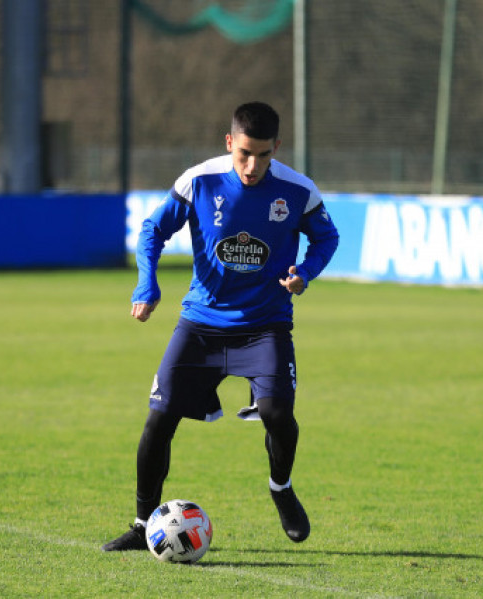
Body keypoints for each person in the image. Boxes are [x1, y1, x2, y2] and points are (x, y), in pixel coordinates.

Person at [101, 102, 339, 551]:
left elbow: (327, 237)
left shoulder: (298, 190)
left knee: (278, 415)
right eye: (244, 153)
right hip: (201, 324)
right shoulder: (199, 181)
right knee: (158, 420)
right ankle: (141, 524)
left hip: (266, 325)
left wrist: (305, 272)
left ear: (277, 149)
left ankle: (281, 487)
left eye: (263, 155)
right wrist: (146, 283)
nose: (252, 166)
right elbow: (153, 230)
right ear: (229, 142)